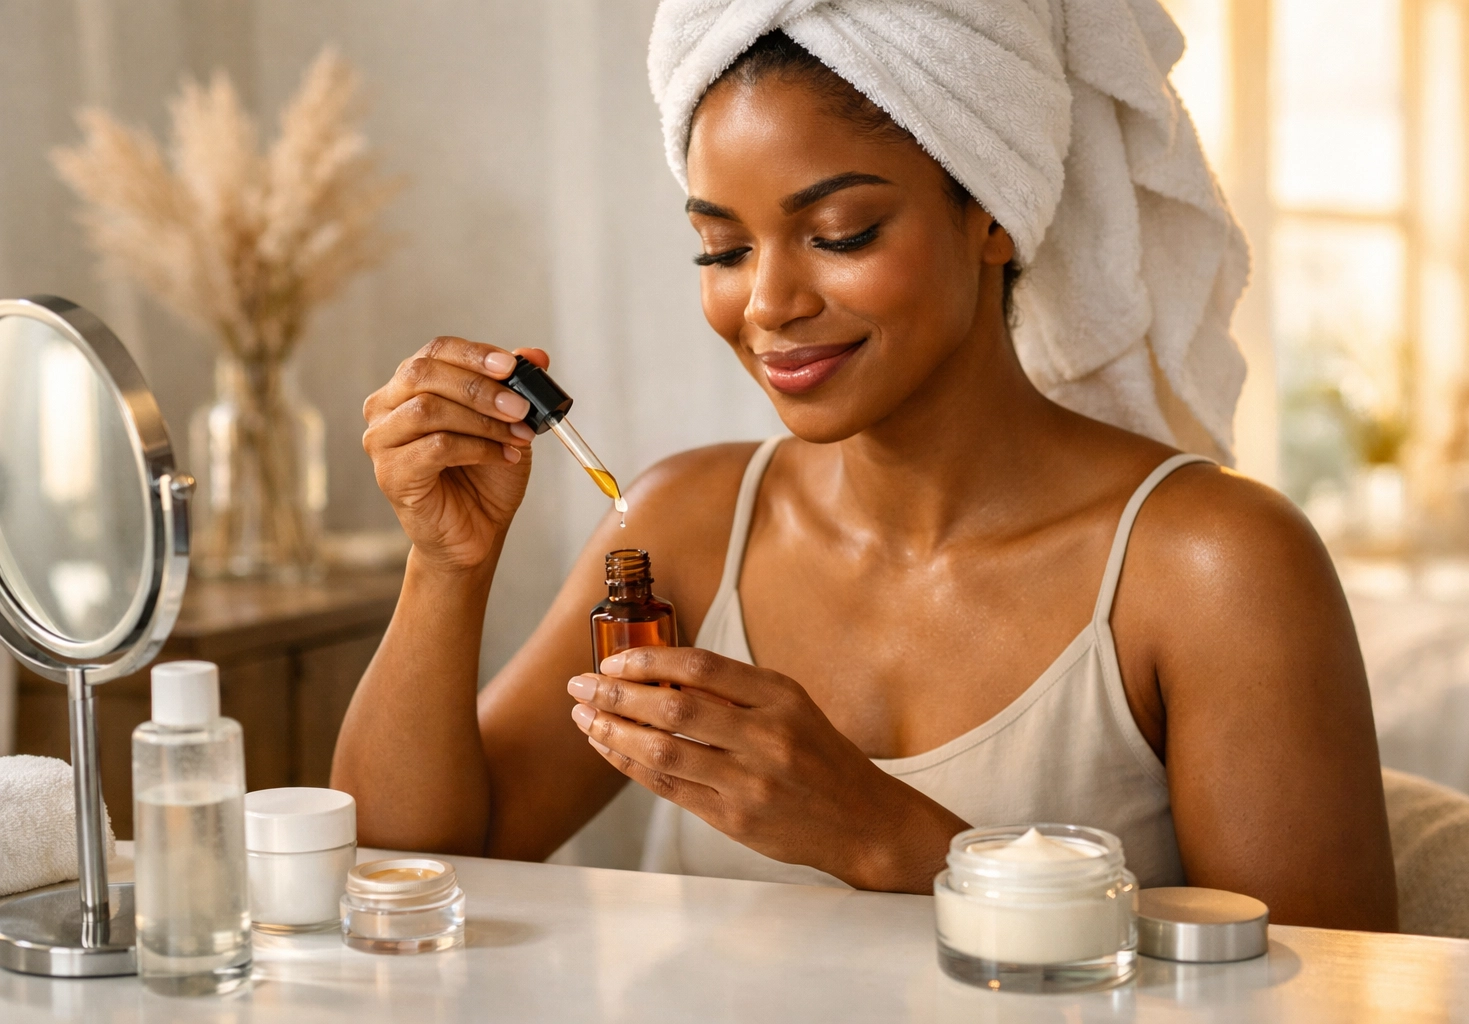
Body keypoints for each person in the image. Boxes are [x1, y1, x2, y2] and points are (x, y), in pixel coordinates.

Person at [333, 2, 1398, 930]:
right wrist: (445, 564)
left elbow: (1327, 990)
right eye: (723, 248)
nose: (765, 304)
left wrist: (886, 839)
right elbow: (404, 870)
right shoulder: (687, 526)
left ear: (991, 213)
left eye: (841, 231)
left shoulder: (1212, 568)